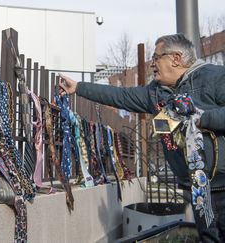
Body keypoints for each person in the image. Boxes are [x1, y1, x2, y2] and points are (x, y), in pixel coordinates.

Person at [59, 33, 225, 243]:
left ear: (175, 58)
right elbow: (120, 96)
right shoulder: (156, 93)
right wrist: (79, 88)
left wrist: (204, 119)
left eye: (156, 58)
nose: (152, 64)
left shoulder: (214, 77)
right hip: (199, 189)